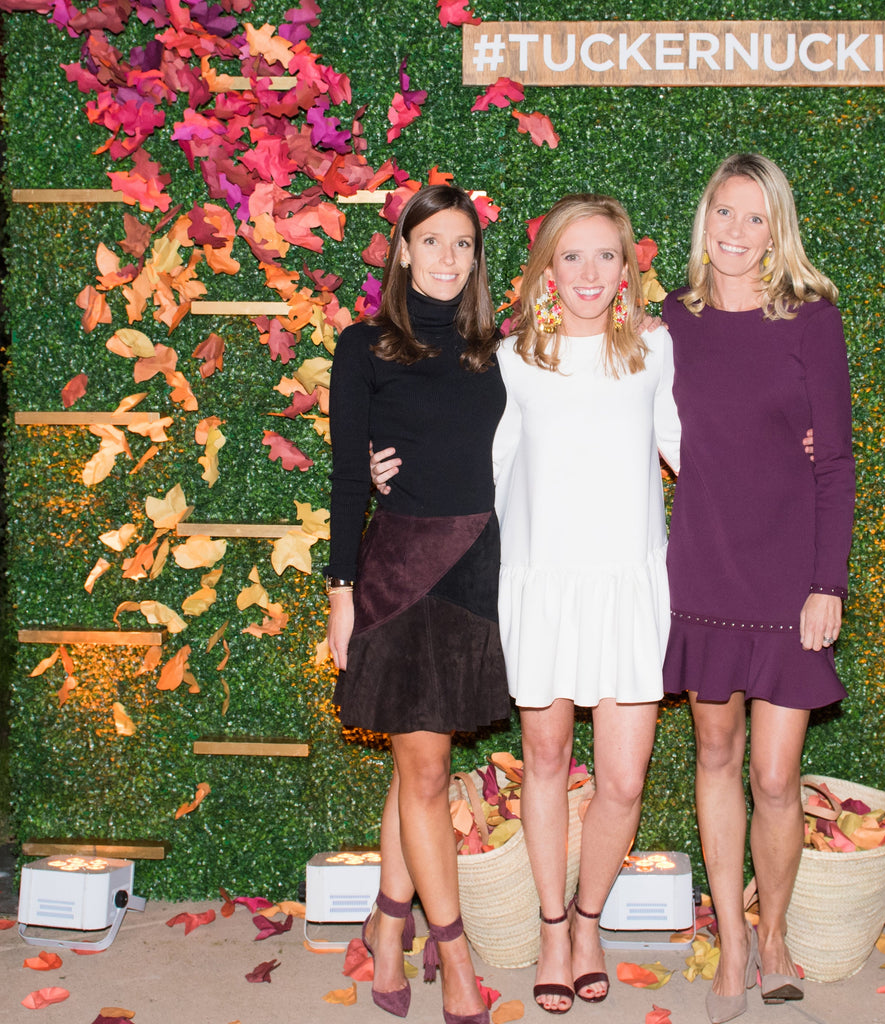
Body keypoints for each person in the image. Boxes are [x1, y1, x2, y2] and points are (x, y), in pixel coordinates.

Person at [375, 193, 681, 1015]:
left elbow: (698, 453)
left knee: (621, 779)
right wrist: (383, 462)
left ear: (627, 272)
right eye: (570, 257)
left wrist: (787, 454)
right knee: (545, 763)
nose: (587, 273)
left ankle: (589, 920)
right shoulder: (511, 360)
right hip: (541, 584)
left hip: (627, 587)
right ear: (546, 266)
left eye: (605, 257)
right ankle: (553, 929)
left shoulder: (656, 353)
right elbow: (467, 452)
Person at [661, 153, 855, 1024]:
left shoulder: (811, 320)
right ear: (704, 221)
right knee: (714, 753)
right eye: (722, 215)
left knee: (777, 776)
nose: (735, 234)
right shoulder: (671, 320)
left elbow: (837, 461)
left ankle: (773, 932)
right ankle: (733, 945)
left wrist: (828, 582)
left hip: (787, 577)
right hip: (702, 566)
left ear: (777, 231)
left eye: (753, 218)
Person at [326, 184, 508, 1024]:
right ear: (401, 251)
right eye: (430, 241)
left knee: (418, 765)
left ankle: (388, 923)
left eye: (462, 245)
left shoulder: (496, 352)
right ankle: (457, 957)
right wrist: (340, 594)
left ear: (476, 258)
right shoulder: (362, 347)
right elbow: (342, 480)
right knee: (428, 768)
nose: (446, 258)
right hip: (399, 571)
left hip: (475, 569)